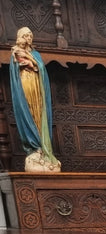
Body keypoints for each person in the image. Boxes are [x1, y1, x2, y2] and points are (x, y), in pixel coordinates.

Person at [9, 27, 60, 172]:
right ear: (20, 37)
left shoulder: (35, 54)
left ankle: (44, 148)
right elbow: (15, 69)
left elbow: (41, 68)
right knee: (29, 111)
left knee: (39, 112)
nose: (29, 38)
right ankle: (34, 147)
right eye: (26, 36)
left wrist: (34, 64)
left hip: (37, 85)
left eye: (30, 36)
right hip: (25, 83)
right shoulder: (15, 52)